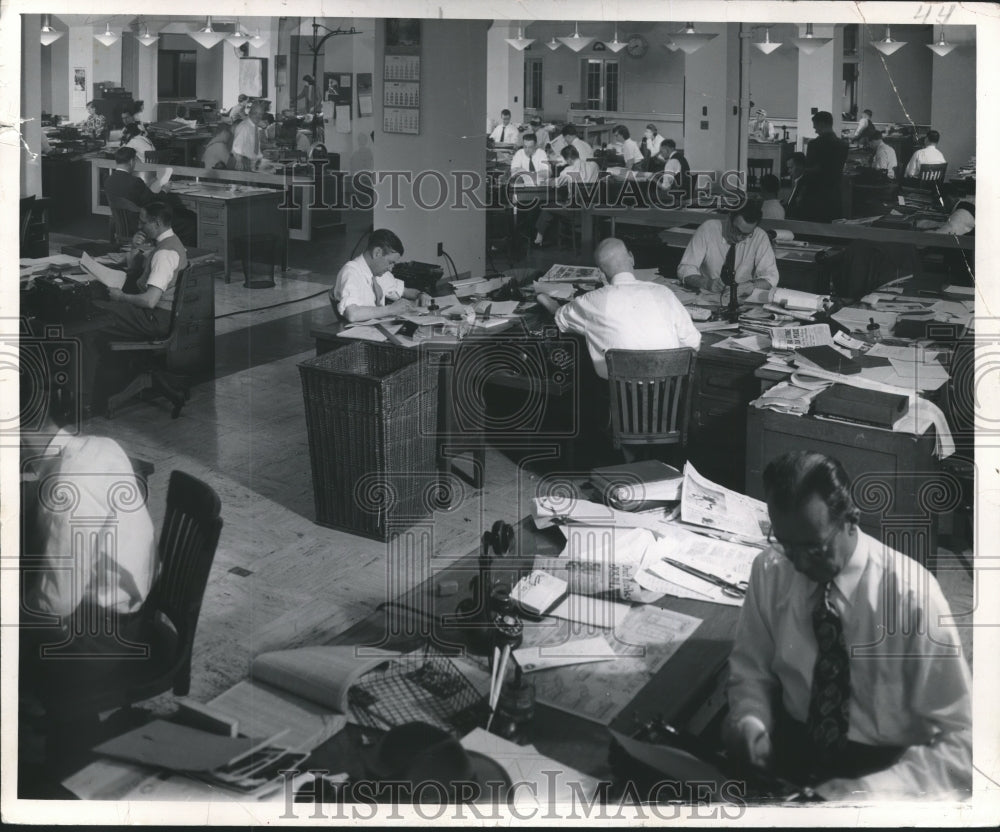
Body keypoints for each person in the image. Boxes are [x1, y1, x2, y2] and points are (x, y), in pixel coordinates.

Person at [725, 451, 971, 800]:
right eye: (784, 544)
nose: (796, 564)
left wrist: (871, 791)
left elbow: (964, 741)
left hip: (884, 770)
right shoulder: (771, 568)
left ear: (851, 520)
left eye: (813, 548)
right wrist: (751, 719)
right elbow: (751, 670)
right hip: (793, 745)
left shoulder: (912, 595)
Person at [19, 363, 157, 683]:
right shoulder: (100, 446)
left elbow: (55, 606)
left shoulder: (66, 491)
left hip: (101, 639)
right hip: (129, 610)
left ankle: (48, 720)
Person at [536, 237, 701, 380]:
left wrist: (543, 298)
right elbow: (693, 342)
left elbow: (560, 318)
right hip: (670, 402)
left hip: (618, 403)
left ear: (601, 272)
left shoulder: (590, 301)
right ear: (631, 258)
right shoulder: (664, 293)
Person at [93, 201, 188, 339]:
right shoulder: (171, 241)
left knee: (94, 313)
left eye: (143, 223)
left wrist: (121, 297)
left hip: (156, 318)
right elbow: (134, 268)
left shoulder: (164, 254)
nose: (139, 226)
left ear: (156, 223)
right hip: (158, 315)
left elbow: (150, 301)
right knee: (99, 310)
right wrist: (134, 247)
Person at [677, 200, 779, 300]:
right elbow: (685, 268)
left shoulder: (759, 237)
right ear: (729, 218)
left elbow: (771, 277)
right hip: (707, 296)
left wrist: (749, 285)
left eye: (746, 234)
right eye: (736, 230)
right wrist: (706, 282)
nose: (739, 237)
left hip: (740, 299)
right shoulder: (708, 229)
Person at [329, 229, 429, 322]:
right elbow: (352, 313)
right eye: (390, 262)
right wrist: (390, 309)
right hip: (356, 335)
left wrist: (420, 295)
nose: (391, 268)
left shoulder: (379, 273)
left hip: (377, 328)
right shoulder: (351, 272)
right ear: (377, 253)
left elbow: (404, 291)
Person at [104, 147, 196, 246]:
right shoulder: (135, 182)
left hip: (123, 227)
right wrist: (164, 190)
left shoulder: (108, 181)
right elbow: (153, 202)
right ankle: (181, 253)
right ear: (131, 161)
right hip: (143, 224)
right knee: (189, 222)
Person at [532, 145, 599, 246]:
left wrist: (546, 180)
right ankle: (540, 237)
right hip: (591, 209)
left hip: (574, 212)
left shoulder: (567, 170)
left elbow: (554, 183)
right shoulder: (594, 165)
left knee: (547, 207)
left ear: (568, 159)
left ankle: (539, 238)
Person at [804, 111, 848, 221]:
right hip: (834, 193)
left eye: (815, 125)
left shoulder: (814, 144)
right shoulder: (843, 145)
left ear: (822, 124)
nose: (814, 129)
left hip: (816, 194)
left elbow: (810, 169)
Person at [232, 102, 265, 171]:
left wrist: (260, 158)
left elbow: (255, 148)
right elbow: (236, 147)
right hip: (244, 164)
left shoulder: (254, 126)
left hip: (253, 163)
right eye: (255, 113)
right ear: (250, 113)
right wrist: (239, 161)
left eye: (260, 114)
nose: (258, 116)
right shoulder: (244, 127)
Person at [784, 152, 813, 220]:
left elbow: (798, 208)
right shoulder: (798, 181)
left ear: (800, 166)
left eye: (791, 168)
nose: (788, 171)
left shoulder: (805, 184)